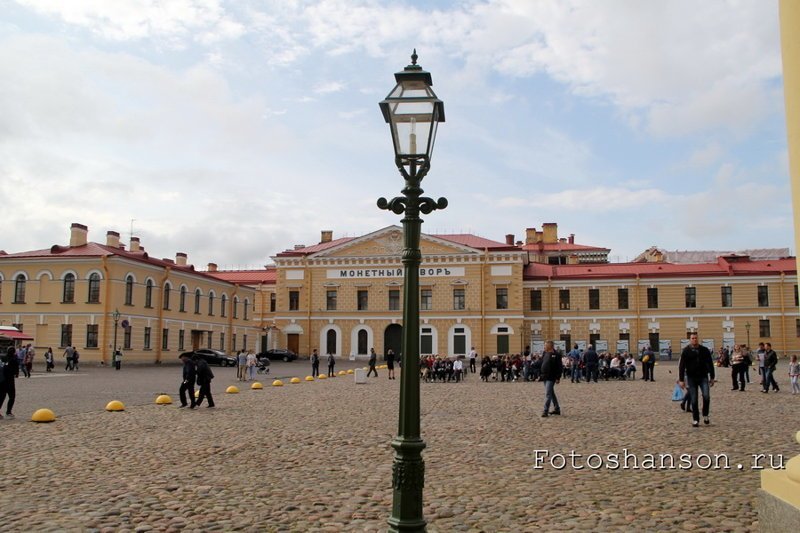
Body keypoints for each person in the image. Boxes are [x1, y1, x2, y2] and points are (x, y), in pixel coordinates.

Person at [678, 333, 716, 427]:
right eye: (692, 338)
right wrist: (681, 379)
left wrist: (712, 377)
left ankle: (705, 414)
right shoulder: (686, 351)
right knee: (694, 399)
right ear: (690, 339)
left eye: (696, 338)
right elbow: (682, 366)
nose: (694, 339)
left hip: (703, 376)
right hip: (691, 377)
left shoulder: (704, 350)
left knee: (706, 396)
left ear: (698, 339)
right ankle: (695, 419)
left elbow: (710, 364)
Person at [540, 340, 563, 418]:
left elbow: (559, 367)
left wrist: (558, 377)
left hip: (551, 377)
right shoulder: (545, 353)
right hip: (545, 376)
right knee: (551, 393)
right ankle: (557, 409)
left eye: (545, 345)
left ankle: (545, 411)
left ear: (550, 346)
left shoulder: (556, 355)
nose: (544, 346)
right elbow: (542, 363)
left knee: (548, 394)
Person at [0, 346, 19, 419]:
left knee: (1, 397)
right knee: (12, 397)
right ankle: (8, 412)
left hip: (2, 381)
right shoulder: (14, 360)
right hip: (10, 381)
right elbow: (16, 373)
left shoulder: (2, 358)